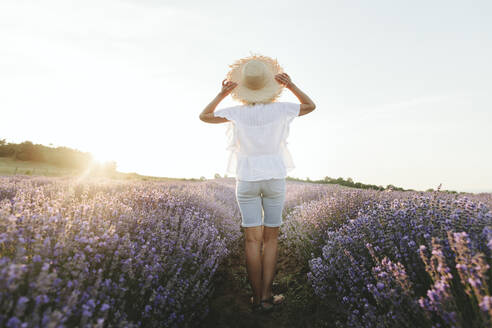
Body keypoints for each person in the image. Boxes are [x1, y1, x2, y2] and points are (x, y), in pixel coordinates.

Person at [199, 54, 316, 314]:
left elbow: (204, 115)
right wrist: (292, 87)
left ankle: (255, 298)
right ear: (269, 85)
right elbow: (310, 106)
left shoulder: (237, 112)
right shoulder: (282, 108)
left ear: (243, 86)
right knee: (271, 240)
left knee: (252, 241)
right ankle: (266, 296)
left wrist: (221, 93)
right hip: (274, 178)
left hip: (247, 179)